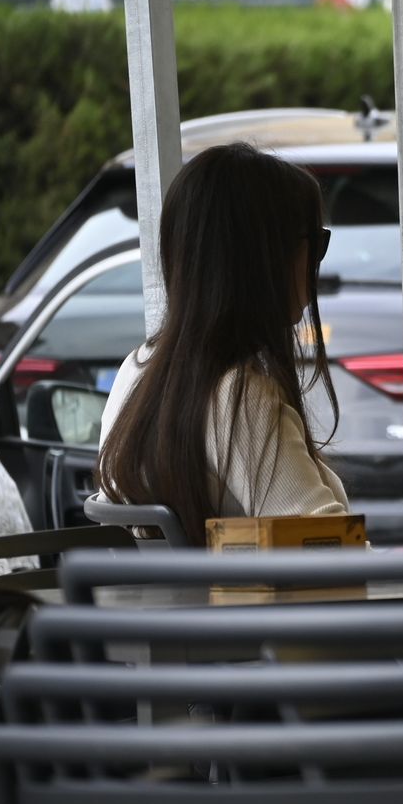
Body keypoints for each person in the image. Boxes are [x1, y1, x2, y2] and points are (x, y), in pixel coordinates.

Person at [97, 143, 349, 545]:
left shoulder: (137, 369)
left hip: (160, 589)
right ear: (264, 258)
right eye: (316, 244)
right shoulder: (239, 396)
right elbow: (329, 548)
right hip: (237, 589)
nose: (318, 264)